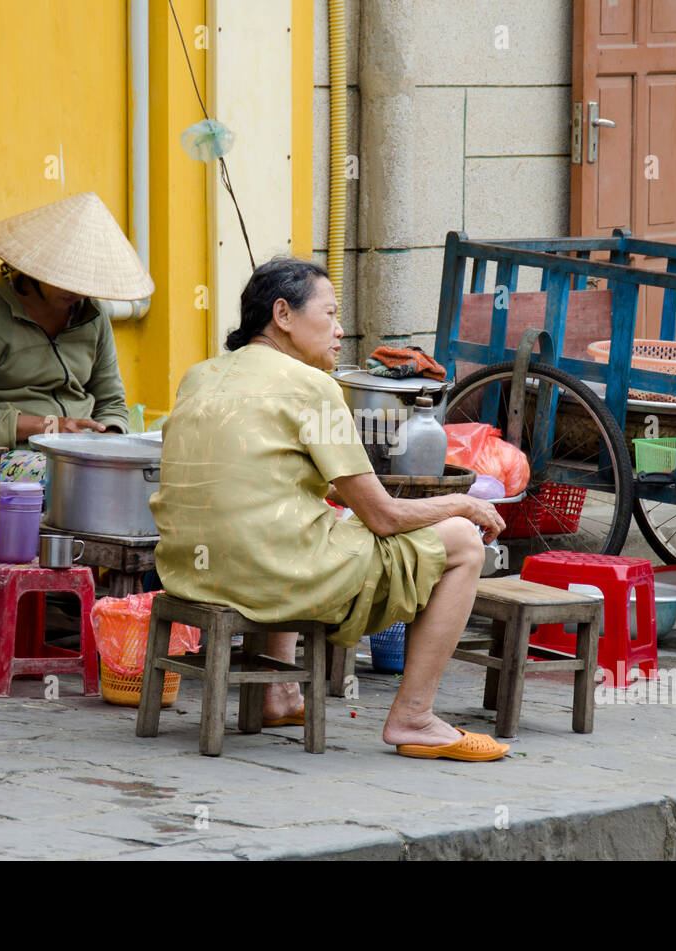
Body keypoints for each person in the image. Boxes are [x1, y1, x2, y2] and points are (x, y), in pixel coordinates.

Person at [150, 257, 511, 761]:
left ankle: (278, 693)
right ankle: (415, 717)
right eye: (330, 313)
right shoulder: (314, 387)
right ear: (283, 314)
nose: (341, 331)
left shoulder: (199, 376)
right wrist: (460, 504)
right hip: (269, 570)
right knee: (464, 543)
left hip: (190, 568)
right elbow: (382, 517)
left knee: (302, 516)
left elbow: (275, 483)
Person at [0, 191, 153, 481]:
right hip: (7, 457)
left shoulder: (93, 315)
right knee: (69, 479)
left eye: (84, 283)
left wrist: (110, 440)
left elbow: (111, 400)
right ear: (33, 267)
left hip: (84, 456)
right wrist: (49, 426)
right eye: (63, 277)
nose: (75, 292)